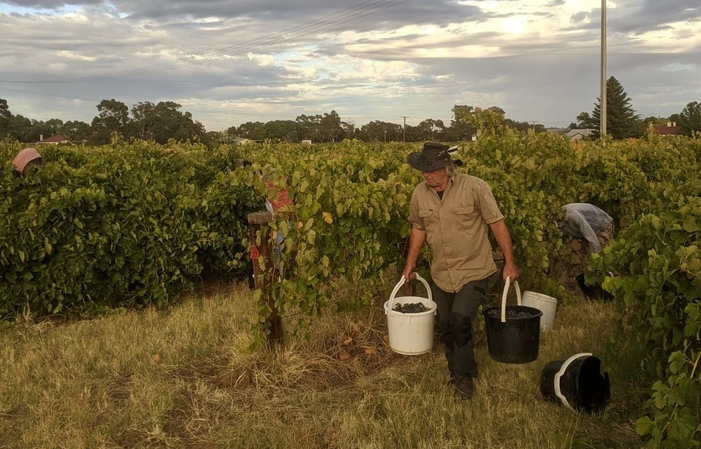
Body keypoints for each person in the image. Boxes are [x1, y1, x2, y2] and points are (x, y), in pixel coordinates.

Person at [401, 142, 519, 400]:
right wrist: (410, 264)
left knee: (460, 319)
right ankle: (457, 370)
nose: (426, 174)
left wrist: (509, 262)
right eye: (423, 169)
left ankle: (463, 379)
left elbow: (496, 223)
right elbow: (418, 229)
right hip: (442, 272)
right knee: (446, 327)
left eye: (431, 169)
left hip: (474, 268)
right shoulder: (419, 194)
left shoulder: (475, 187)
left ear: (447, 167)